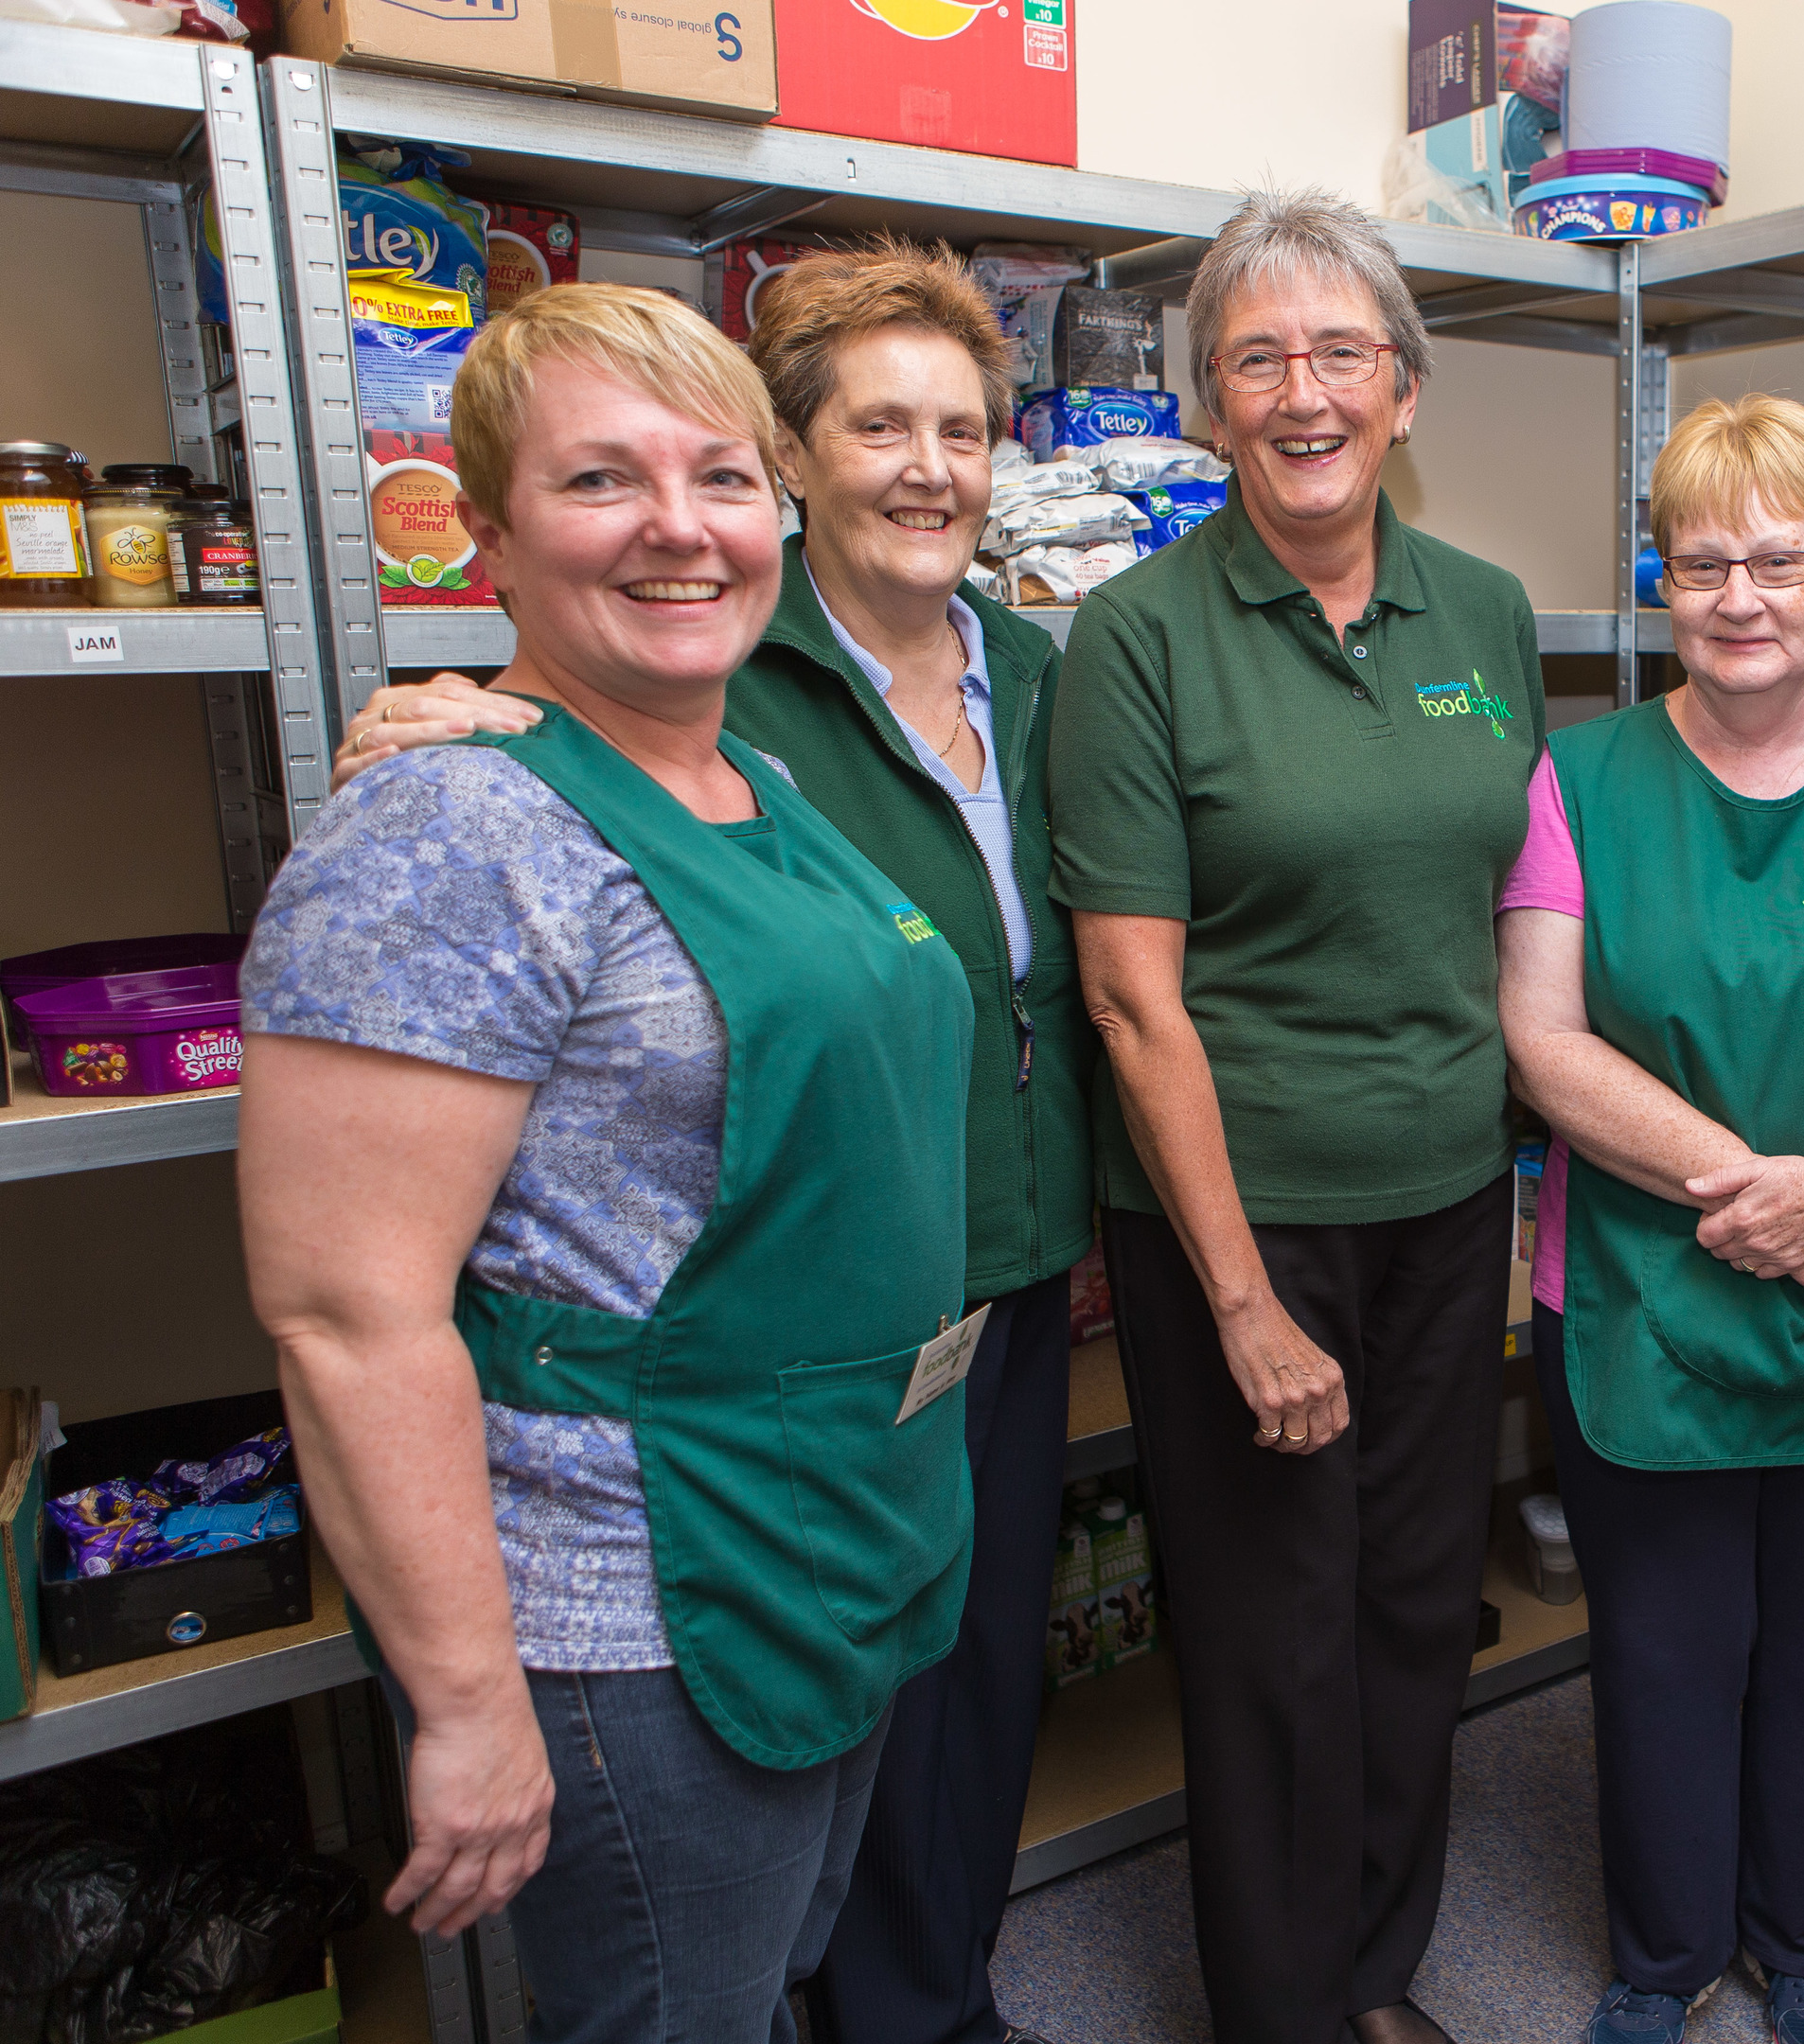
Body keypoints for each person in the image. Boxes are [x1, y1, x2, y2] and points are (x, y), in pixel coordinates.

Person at [328, 243, 1093, 2044]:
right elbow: (352, 1310)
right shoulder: (563, 765)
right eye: (600, 481)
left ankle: (927, 2004)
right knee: (682, 1972)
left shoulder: (931, 711)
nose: (678, 529)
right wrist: (461, 1696)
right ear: (490, 540)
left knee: (831, 1853)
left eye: (708, 480)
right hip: (637, 1534)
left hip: (893, 1386)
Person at [1048, 187, 1542, 2044]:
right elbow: (1126, 995)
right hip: (1235, 1225)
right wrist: (1246, 1299)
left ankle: (1377, 1976)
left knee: (1419, 1612)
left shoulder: (1482, 611)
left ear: (1405, 389)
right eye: (1257, 359)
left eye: (1340, 352)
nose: (1303, 390)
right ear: (1209, 406)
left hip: (1444, 1198)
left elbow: (1509, 910)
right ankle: (1279, 2014)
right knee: (1273, 1644)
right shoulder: (1142, 638)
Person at [1495, 394, 1804, 2044]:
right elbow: (1546, 1041)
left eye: (1782, 557)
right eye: (1705, 563)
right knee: (1665, 1659)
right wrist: (1760, 1197)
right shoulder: (1580, 774)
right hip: (1643, 1294)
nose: (1744, 595)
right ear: (1662, 584)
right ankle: (1663, 1956)